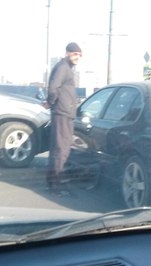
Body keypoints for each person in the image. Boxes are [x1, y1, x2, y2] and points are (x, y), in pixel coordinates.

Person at [44, 42, 82, 195]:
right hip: (63, 113)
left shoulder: (65, 68)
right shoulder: (63, 68)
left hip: (63, 112)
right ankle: (56, 184)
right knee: (62, 149)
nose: (77, 57)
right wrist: (50, 102)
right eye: (75, 54)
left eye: (79, 55)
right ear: (67, 53)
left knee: (57, 148)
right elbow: (54, 87)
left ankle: (52, 182)